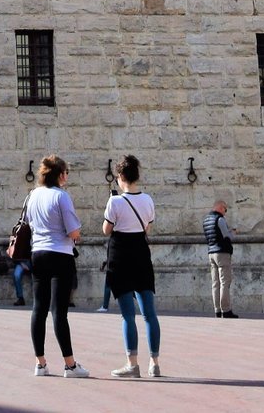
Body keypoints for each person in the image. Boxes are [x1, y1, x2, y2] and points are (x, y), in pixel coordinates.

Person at [22, 154, 91, 378]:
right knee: (59, 313)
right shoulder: (62, 197)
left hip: (37, 253)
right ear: (61, 174)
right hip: (60, 254)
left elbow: (29, 224)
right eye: (67, 173)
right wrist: (76, 234)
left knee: (38, 309)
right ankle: (70, 365)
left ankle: (40, 364)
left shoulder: (32, 196)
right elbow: (73, 232)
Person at [102, 154, 160, 378]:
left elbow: (107, 230)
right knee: (149, 314)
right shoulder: (148, 200)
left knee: (128, 315)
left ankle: (132, 364)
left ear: (120, 177)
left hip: (120, 257)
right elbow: (147, 229)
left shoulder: (115, 201)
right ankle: (154, 363)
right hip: (141, 256)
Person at [203, 197, 237, 317]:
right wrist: (233, 233)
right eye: (225, 210)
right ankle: (226, 310)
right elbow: (226, 236)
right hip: (222, 253)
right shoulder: (220, 219)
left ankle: (217, 310)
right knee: (224, 282)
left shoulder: (206, 219)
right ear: (221, 207)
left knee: (215, 283)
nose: (225, 212)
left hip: (211, 252)